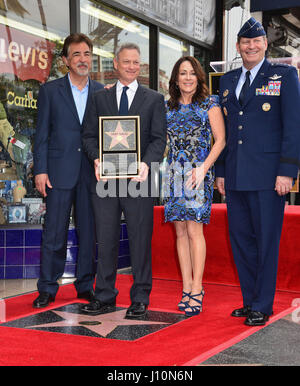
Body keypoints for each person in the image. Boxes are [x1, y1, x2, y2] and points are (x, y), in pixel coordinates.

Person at [215, 18, 300, 326]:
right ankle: (250, 299)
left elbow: (293, 126)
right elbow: (223, 131)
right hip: (236, 175)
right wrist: (221, 171)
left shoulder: (284, 75)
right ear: (238, 46)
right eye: (245, 42)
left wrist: (287, 171)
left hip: (268, 176)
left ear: (265, 43)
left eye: (256, 41)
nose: (250, 46)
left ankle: (263, 304)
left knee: (266, 241)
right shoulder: (228, 80)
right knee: (241, 240)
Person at [81, 43, 166, 318]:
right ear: (115, 64)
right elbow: (89, 136)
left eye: (136, 63)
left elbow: (159, 139)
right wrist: (96, 158)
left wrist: (146, 164)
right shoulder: (99, 98)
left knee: (140, 239)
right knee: (105, 240)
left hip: (139, 179)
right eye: (127, 62)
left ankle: (141, 297)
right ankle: (104, 295)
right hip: (105, 179)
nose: (132, 67)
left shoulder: (153, 99)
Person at [33, 33, 104, 308]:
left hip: (91, 173)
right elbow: (42, 135)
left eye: (87, 54)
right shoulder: (50, 91)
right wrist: (40, 170)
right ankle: (48, 288)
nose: (83, 59)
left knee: (88, 233)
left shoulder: (101, 92)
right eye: (76, 54)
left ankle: (86, 284)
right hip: (58, 172)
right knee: (54, 232)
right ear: (65, 61)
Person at [163, 56, 225, 316]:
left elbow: (220, 140)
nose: (187, 78)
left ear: (198, 77)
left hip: (199, 175)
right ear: (176, 79)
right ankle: (186, 286)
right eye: (182, 73)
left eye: (191, 73)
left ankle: (198, 288)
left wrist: (204, 169)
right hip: (174, 175)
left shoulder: (210, 104)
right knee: (179, 233)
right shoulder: (168, 108)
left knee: (194, 232)